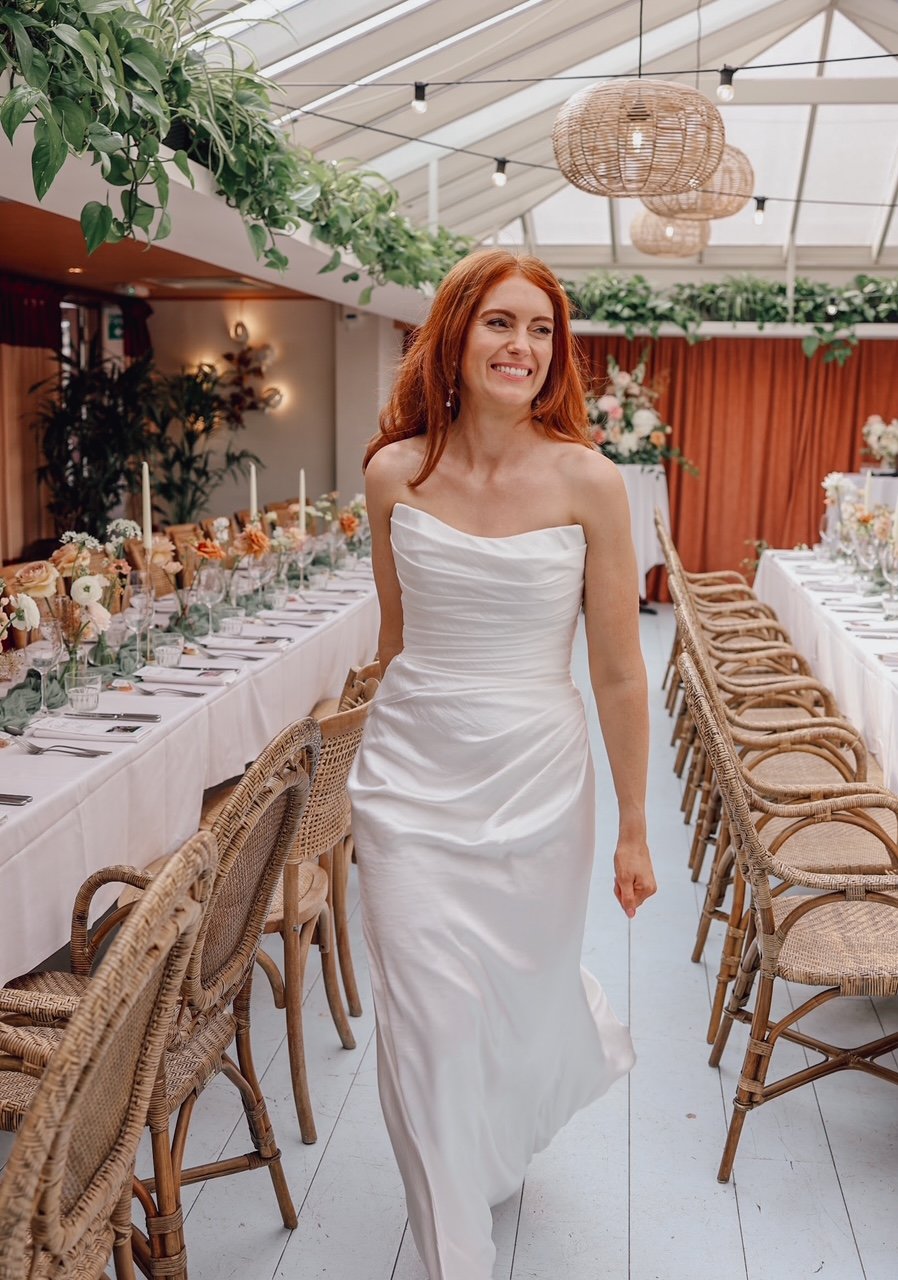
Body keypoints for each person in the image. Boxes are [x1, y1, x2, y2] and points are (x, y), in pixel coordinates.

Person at [347, 248, 656, 1279]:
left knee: (511, 1005)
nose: (519, 346)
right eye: (497, 323)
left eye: (538, 329)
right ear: (453, 332)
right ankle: (454, 1257)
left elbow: (617, 671)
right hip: (408, 778)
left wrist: (632, 823)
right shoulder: (393, 471)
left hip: (536, 779)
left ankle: (500, 1129)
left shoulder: (589, 481)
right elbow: (395, 639)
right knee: (424, 1019)